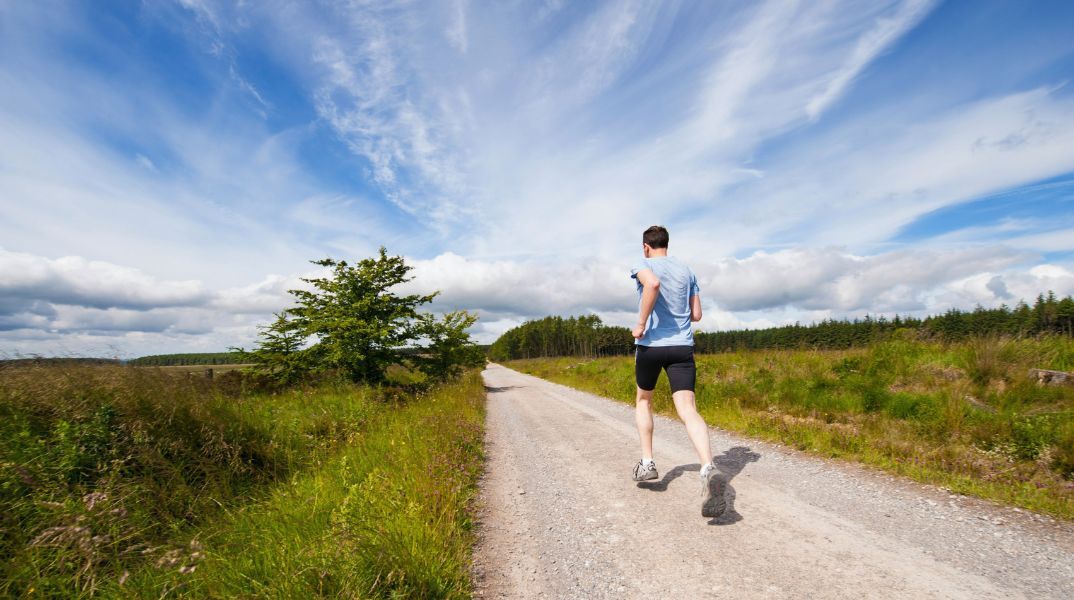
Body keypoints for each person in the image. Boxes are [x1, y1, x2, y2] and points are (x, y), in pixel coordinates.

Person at [629, 225, 720, 517]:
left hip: (651, 345)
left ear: (646, 247)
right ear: (666, 244)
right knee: (688, 409)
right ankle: (707, 467)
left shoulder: (642, 264)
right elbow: (696, 315)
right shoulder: (687, 270)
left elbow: (652, 284)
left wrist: (642, 323)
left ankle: (647, 463)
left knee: (644, 400)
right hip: (682, 347)